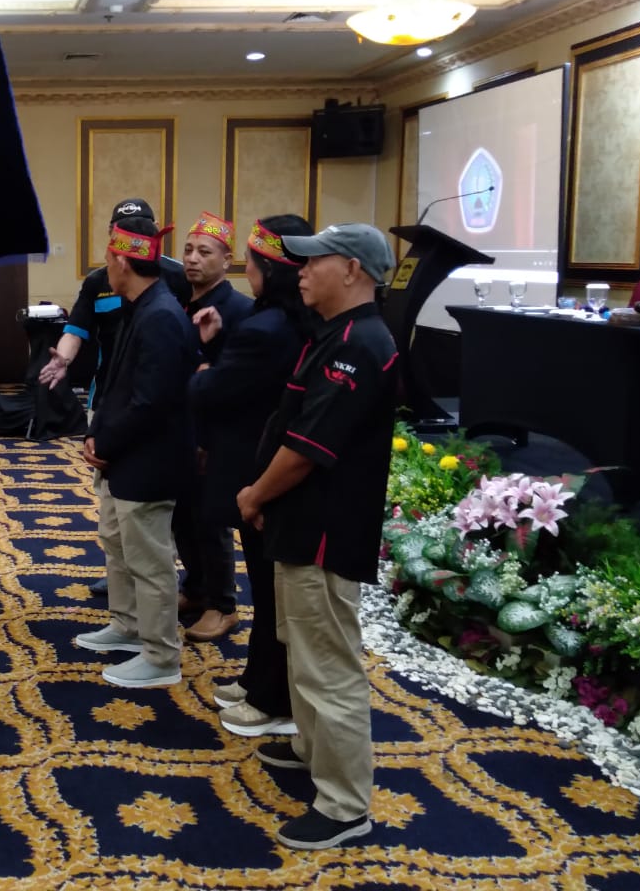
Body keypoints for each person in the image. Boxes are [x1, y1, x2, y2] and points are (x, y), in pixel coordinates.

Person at [235, 222, 398, 851]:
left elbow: (307, 448)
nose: (299, 271)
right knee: (303, 650)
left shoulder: (358, 345)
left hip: (325, 532)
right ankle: (311, 749)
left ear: (353, 270)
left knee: (328, 665)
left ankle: (345, 805)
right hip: (303, 526)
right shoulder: (337, 333)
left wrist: (255, 494)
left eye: (313, 261)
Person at [187, 215, 315, 738]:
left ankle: (271, 698)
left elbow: (212, 391)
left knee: (271, 593)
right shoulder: (285, 319)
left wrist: (203, 368)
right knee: (267, 593)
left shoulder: (266, 328)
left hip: (260, 472)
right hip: (264, 466)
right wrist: (217, 349)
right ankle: (257, 680)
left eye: (252, 260)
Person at [39, 197, 191, 595]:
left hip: (155, 402)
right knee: (111, 497)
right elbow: (77, 328)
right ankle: (123, 575)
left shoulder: (172, 279)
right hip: (107, 401)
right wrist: (62, 360)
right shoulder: (98, 281)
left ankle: (157, 573)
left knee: (152, 502)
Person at [73, 216, 197, 689]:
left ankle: (162, 656)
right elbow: (115, 383)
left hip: (149, 460)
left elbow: (151, 402)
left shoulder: (160, 315)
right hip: (125, 456)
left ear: (123, 261)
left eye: (108, 258)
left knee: (149, 560)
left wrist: (107, 442)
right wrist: (96, 431)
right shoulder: (139, 307)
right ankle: (126, 625)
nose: (105, 267)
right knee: (118, 543)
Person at [171, 212, 253, 641]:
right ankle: (197, 588)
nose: (192, 259)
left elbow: (235, 380)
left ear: (227, 259)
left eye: (204, 252)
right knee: (182, 518)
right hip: (180, 429)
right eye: (188, 250)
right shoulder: (180, 302)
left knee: (210, 520)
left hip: (215, 435)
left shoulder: (240, 310)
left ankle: (223, 605)